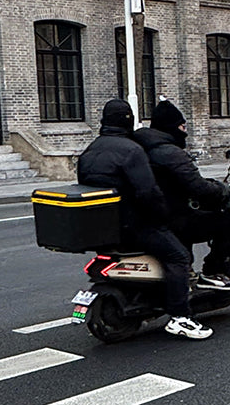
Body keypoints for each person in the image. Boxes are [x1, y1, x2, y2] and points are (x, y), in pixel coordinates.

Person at [77, 99, 212, 340]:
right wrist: (162, 217)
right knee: (178, 256)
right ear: (128, 120)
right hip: (134, 224)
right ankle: (181, 316)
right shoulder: (131, 151)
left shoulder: (90, 151)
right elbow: (148, 192)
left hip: (104, 227)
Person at [131, 99, 230, 289]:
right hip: (171, 215)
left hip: (149, 216)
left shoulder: (141, 148)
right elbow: (198, 187)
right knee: (229, 222)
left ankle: (189, 273)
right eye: (182, 126)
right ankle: (213, 272)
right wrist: (224, 191)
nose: (184, 131)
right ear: (171, 127)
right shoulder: (171, 153)